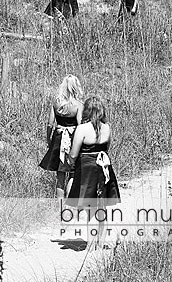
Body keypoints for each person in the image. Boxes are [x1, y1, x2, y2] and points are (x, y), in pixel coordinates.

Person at [65, 96, 121, 249]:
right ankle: (101, 243)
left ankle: (90, 244)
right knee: (101, 206)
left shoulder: (82, 129)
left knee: (90, 208)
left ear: (87, 111)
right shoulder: (107, 128)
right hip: (103, 166)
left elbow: (74, 154)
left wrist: (71, 166)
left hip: (87, 168)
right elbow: (106, 148)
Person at [39, 75, 85, 199]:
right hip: (72, 139)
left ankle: (59, 205)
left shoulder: (56, 102)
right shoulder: (78, 105)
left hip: (58, 138)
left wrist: (48, 139)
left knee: (60, 173)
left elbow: (50, 124)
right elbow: (80, 125)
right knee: (72, 173)